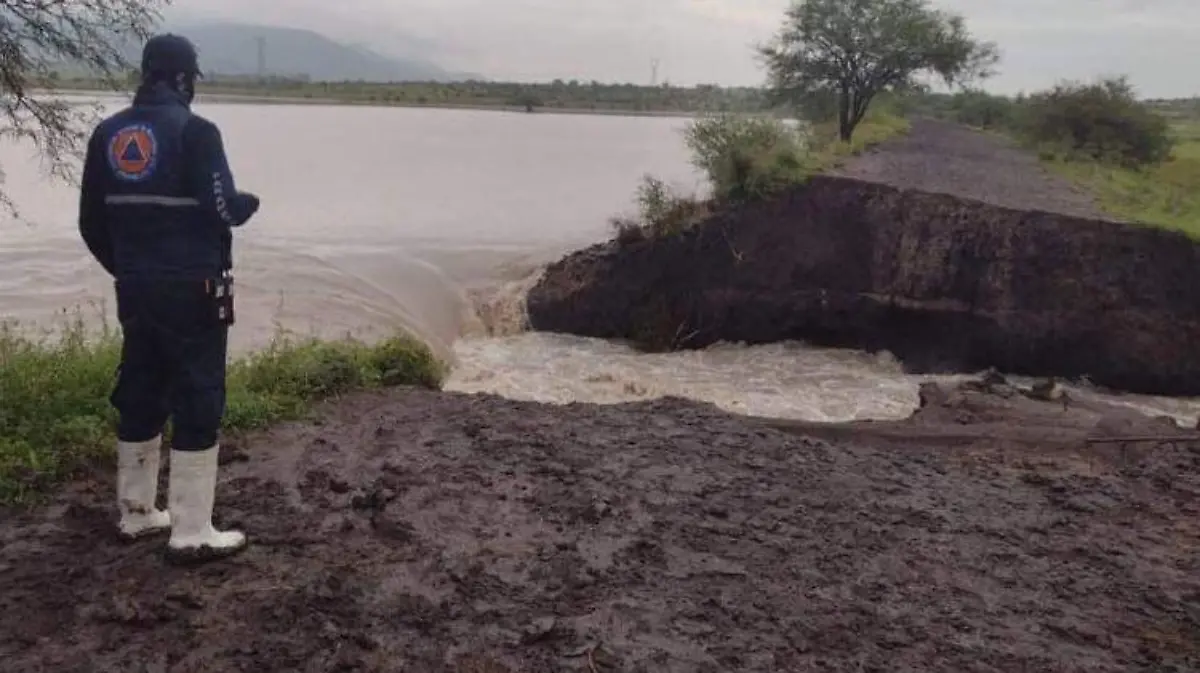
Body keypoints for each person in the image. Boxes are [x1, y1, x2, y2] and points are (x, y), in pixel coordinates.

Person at [78, 34, 261, 564]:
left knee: (142, 387)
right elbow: (223, 207)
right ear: (184, 78)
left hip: (134, 287)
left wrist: (131, 271)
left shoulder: (107, 134)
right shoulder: (198, 132)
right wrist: (248, 204)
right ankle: (191, 531)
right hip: (192, 288)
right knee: (198, 395)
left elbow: (91, 223)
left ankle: (136, 514)